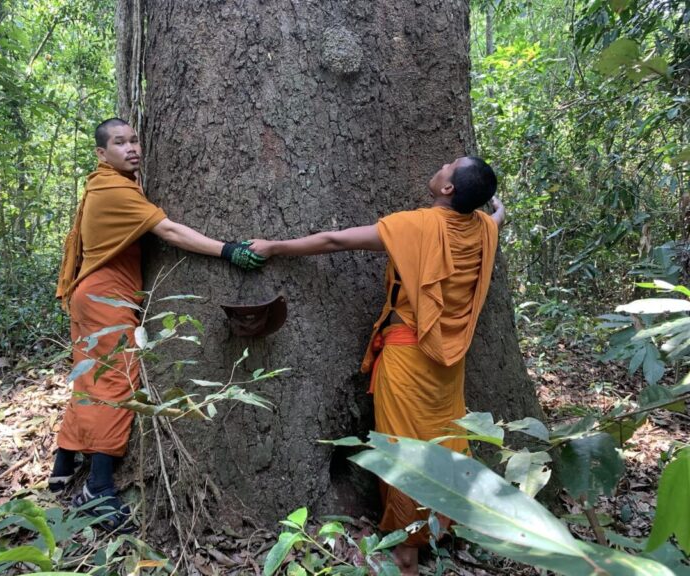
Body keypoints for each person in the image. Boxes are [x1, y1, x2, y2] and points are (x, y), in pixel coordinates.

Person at [250, 157, 505, 575]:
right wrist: (494, 207)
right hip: (449, 364)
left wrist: (275, 247)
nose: (440, 166)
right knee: (443, 442)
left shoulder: (417, 225)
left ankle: (406, 557)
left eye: (448, 166)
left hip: (408, 356)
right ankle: (438, 527)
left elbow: (335, 242)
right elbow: (497, 217)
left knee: (403, 452)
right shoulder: (482, 230)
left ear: (447, 190)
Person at [51, 118, 264, 532]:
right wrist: (228, 250)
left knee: (90, 378)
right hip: (105, 295)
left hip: (91, 294)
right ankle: (98, 489)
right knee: (116, 383)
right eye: (119, 143)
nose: (131, 148)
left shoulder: (107, 184)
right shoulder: (114, 189)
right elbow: (168, 230)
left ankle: (63, 465)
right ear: (101, 154)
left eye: (134, 140)